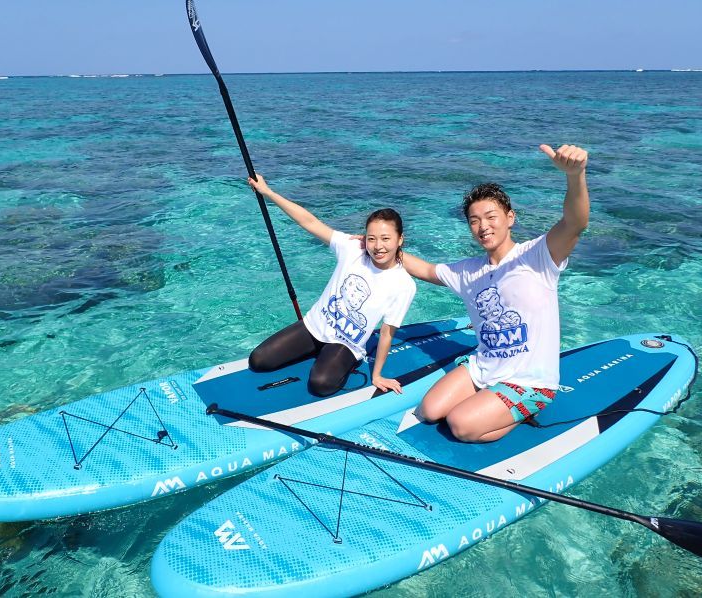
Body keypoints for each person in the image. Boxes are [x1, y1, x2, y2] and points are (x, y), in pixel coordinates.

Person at [402, 144, 590, 442]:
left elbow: (575, 222)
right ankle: (490, 399)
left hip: (529, 380)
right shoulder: (468, 271)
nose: (483, 226)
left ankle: (527, 409)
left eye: (491, 217)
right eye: (474, 221)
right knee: (429, 411)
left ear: (510, 218)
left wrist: (575, 175)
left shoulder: (539, 255)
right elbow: (426, 270)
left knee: (460, 425)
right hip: (483, 368)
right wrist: (383, 248)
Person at [247, 174, 416, 397]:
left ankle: (338, 360)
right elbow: (309, 222)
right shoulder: (353, 249)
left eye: (386, 238)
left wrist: (377, 375)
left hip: (346, 344)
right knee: (258, 361)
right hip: (313, 326)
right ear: (365, 238)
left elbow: (386, 334)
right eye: (372, 238)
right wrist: (268, 193)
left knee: (321, 385)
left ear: (399, 239)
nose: (378, 246)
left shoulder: (404, 284)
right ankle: (315, 350)